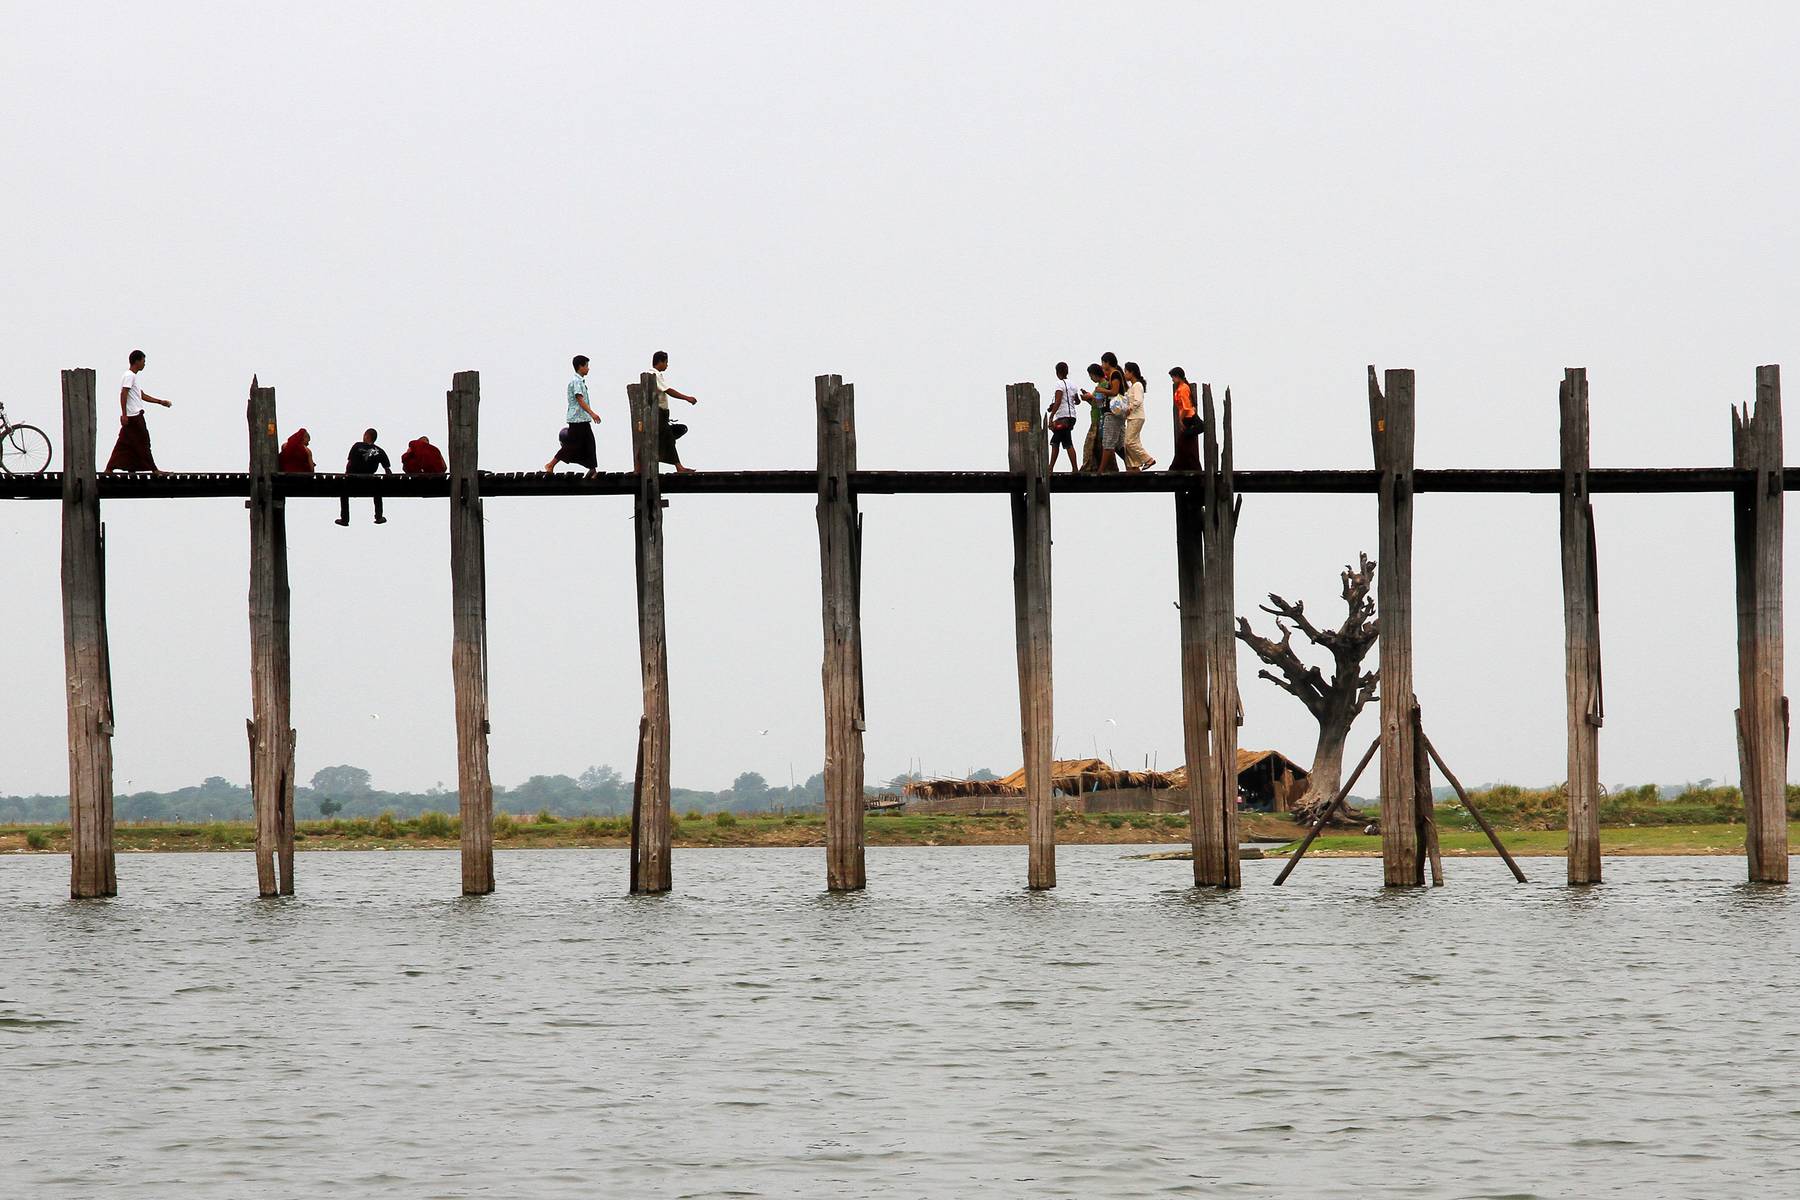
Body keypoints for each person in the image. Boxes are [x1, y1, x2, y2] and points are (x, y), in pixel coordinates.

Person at [104, 350, 172, 474]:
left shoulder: (132, 377)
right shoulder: (129, 375)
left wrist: (160, 401)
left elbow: (141, 395)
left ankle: (112, 468)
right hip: (134, 416)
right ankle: (154, 469)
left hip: (133, 416)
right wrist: (124, 414)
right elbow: (123, 393)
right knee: (143, 441)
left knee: (124, 443)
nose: (144, 364)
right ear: (137, 361)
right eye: (143, 361)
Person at [545, 354, 602, 476]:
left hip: (583, 419)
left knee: (589, 442)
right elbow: (580, 399)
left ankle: (592, 469)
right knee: (572, 445)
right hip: (577, 419)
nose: (588, 368)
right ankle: (551, 464)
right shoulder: (576, 381)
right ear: (580, 367)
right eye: (586, 366)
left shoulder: (580, 381)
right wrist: (592, 414)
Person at [651, 350, 697, 473]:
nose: (667, 365)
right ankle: (679, 467)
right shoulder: (654, 374)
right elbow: (668, 390)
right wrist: (686, 398)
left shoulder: (654, 375)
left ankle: (639, 468)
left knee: (653, 439)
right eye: (666, 362)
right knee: (668, 438)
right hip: (658, 414)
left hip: (660, 415)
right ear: (660, 362)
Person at [337, 428, 392, 526]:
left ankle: (345, 519)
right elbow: (387, 470)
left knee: (343, 492)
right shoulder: (380, 451)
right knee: (377, 492)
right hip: (369, 481)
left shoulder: (357, 445)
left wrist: (346, 475)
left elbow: (350, 463)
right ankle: (379, 516)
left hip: (353, 479)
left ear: (366, 435)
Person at [1045, 362, 1080, 472]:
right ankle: (1074, 468)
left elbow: (1058, 401)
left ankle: (1050, 468)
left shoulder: (1059, 384)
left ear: (1057, 372)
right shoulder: (1073, 385)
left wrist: (1051, 416)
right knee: (1066, 441)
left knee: (1056, 441)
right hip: (1072, 417)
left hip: (1063, 417)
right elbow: (1077, 401)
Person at [1120, 361, 1155, 471]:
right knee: (1131, 442)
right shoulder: (1131, 387)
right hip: (1132, 417)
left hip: (1136, 416)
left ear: (1132, 372)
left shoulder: (1138, 385)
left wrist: (1130, 408)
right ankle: (1134, 465)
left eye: (1126, 371)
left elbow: (1138, 400)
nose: (1124, 374)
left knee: (1129, 441)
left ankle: (1148, 459)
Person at [1169, 367, 1202, 471]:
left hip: (1188, 418)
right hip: (1188, 418)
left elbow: (1186, 408)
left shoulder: (1183, 388)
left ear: (1178, 376)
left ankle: (1177, 468)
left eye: (1173, 377)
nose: (1172, 379)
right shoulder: (1182, 388)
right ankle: (1190, 467)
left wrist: (1180, 420)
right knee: (1186, 445)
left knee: (1182, 445)